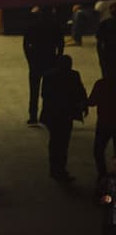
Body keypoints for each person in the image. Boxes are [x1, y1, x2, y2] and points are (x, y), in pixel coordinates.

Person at [41, 54, 88, 182]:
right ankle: (60, 169)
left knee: (55, 142)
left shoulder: (48, 76)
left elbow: (44, 94)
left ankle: (54, 168)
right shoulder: (74, 75)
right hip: (66, 114)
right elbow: (80, 91)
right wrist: (84, 105)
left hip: (53, 114)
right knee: (63, 143)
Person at [24, 6, 65, 124]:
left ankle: (33, 116)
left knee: (34, 91)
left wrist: (30, 60)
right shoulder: (55, 26)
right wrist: (58, 59)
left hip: (36, 60)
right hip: (50, 60)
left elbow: (26, 45)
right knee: (49, 91)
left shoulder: (33, 26)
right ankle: (47, 115)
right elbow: (61, 44)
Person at [90, 72, 116, 181]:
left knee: (98, 150)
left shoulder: (101, 84)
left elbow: (92, 101)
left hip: (104, 122)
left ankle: (102, 174)